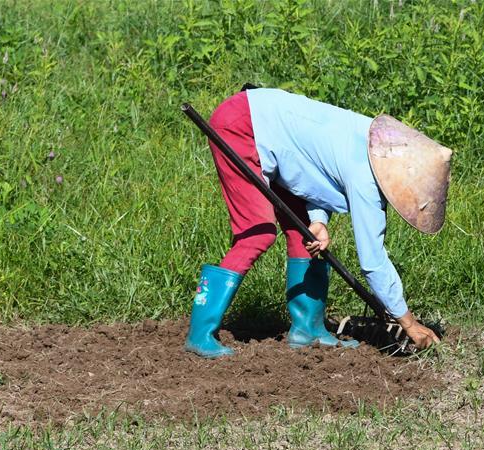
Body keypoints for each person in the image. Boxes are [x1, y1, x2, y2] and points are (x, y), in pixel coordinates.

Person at [185, 87, 449, 358]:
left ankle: (307, 330)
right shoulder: (366, 178)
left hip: (270, 130)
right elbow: (372, 262)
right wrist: (408, 322)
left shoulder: (371, 145)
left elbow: (314, 170)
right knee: (257, 234)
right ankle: (200, 333)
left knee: (305, 235)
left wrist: (319, 220)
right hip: (243, 126)